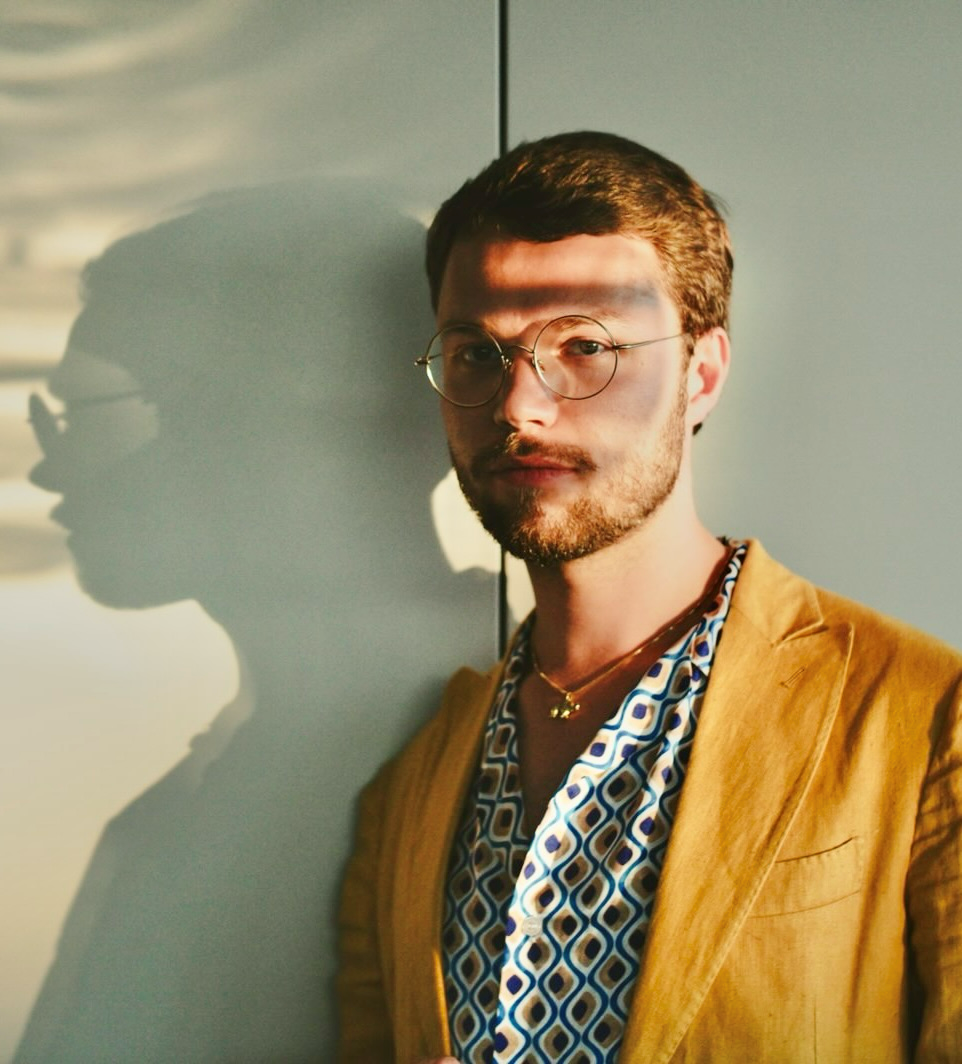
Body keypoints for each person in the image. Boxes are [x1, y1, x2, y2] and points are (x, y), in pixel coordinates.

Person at [336, 131, 962, 1063]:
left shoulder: (922, 716)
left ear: (701, 375)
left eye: (585, 347)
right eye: (476, 354)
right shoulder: (411, 786)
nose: (518, 406)